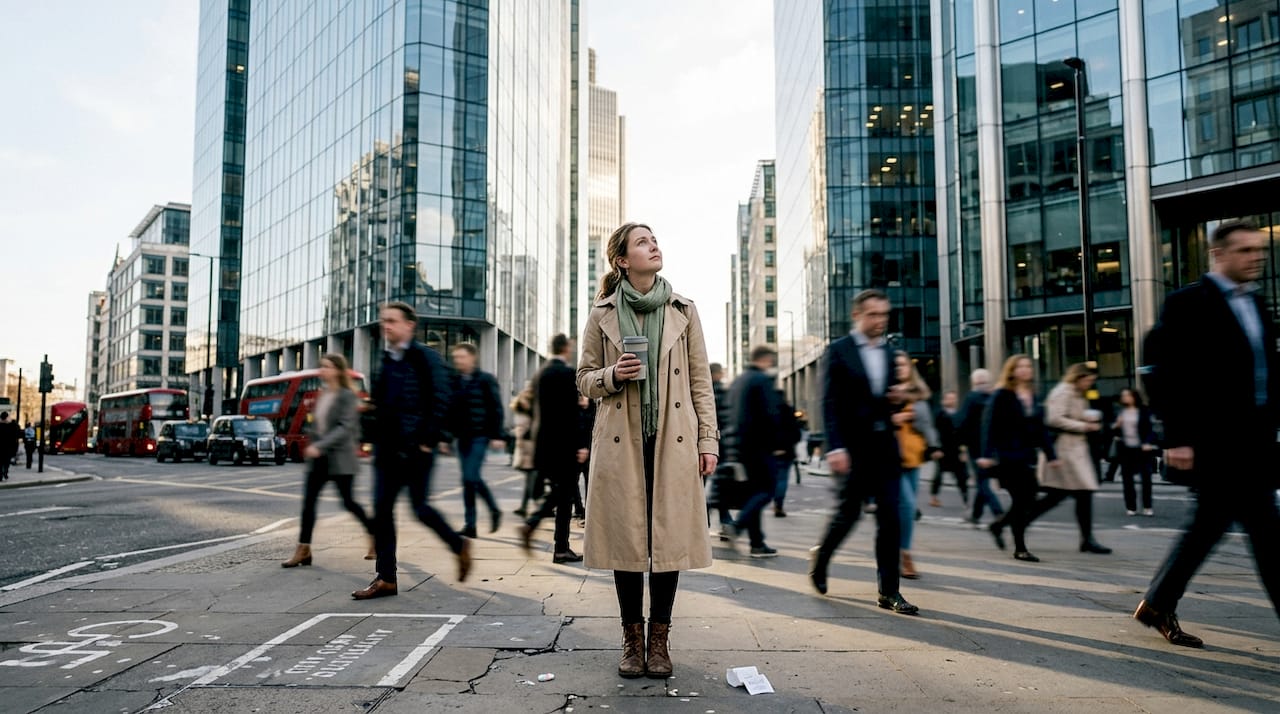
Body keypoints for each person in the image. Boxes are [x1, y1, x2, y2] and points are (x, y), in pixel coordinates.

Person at [577, 222, 719, 679]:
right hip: (622, 442)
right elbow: (583, 378)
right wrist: (613, 375)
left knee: (668, 541)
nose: (654, 245)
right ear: (622, 260)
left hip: (672, 441)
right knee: (627, 542)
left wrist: (708, 441)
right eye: (642, 241)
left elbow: (702, 383)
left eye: (654, 239)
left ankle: (659, 640)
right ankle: (631, 639)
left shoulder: (684, 310)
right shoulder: (602, 313)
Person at [1134, 220, 1280, 648]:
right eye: (1245, 251)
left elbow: (1267, 375)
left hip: (1253, 443)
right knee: (1265, 536)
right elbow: (1166, 375)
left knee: (1211, 530)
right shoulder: (1187, 303)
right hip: (1213, 443)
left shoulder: (1257, 304)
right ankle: (1158, 603)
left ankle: (1158, 603)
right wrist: (1175, 437)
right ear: (1218, 254)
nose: (1255, 258)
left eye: (1259, 251)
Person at [811, 289, 919, 615]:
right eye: (873, 314)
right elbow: (828, 403)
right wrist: (836, 447)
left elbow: (883, 398)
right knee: (849, 514)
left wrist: (896, 396)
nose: (880, 321)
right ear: (857, 315)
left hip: (885, 446)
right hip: (852, 448)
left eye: (884, 315)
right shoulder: (839, 351)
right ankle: (821, 559)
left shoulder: (889, 352)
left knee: (891, 517)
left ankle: (890, 591)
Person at [354, 302, 472, 600]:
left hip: (416, 448)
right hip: (387, 450)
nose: (387, 326)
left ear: (409, 325)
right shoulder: (386, 360)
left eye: (392, 321)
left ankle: (459, 546)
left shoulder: (425, 357)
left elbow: (442, 397)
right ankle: (386, 578)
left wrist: (429, 438)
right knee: (382, 510)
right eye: (384, 321)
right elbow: (383, 405)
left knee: (420, 509)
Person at [282, 353, 375, 568]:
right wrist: (310, 437)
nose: (323, 370)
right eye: (322, 366)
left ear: (338, 371)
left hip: (340, 459)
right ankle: (303, 549)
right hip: (320, 461)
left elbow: (344, 428)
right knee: (309, 504)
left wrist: (319, 445)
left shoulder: (347, 396)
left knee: (349, 503)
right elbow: (317, 425)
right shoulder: (323, 395)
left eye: (327, 367)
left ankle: (374, 536)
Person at [1027, 362, 1113, 557]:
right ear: (1078, 377)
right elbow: (1053, 419)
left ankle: (1087, 539)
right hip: (1065, 450)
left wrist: (1086, 420)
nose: (1089, 385)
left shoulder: (1076, 393)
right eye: (1088, 380)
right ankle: (1016, 522)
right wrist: (1083, 426)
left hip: (1075, 450)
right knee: (1063, 495)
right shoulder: (1063, 392)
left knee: (1078, 494)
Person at [979, 355, 1057, 562]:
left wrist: (1051, 455)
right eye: (1020, 366)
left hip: (1027, 456)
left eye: (1028, 366)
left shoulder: (1034, 395)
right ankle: (1020, 548)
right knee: (1022, 500)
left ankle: (998, 525)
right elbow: (989, 425)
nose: (1024, 370)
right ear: (1011, 370)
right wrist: (986, 455)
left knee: (1026, 500)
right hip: (1007, 456)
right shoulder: (1002, 394)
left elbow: (1041, 429)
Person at [519, 334, 586, 564]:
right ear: (565, 348)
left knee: (562, 492)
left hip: (543, 443)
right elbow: (571, 413)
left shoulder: (541, 373)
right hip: (563, 445)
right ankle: (539, 529)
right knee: (564, 493)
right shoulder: (567, 374)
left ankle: (560, 547)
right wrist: (580, 444)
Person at [726, 346, 785, 558]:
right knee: (767, 491)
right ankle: (738, 526)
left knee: (753, 493)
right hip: (759, 446)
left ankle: (757, 544)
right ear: (766, 360)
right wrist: (777, 443)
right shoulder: (761, 381)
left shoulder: (739, 381)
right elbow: (770, 414)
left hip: (740, 446)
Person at [443, 343, 505, 539]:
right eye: (455, 358)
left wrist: (497, 435)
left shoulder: (485, 380)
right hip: (462, 438)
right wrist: (445, 438)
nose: (458, 361)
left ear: (472, 358)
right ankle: (470, 525)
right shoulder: (454, 381)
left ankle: (494, 510)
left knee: (471, 476)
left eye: (461, 357)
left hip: (480, 436)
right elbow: (449, 411)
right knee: (467, 481)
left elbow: (496, 408)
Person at [892, 352, 940, 580]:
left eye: (903, 364)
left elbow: (928, 424)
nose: (900, 368)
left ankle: (901, 549)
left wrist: (934, 445)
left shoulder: (918, 394)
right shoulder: (886, 391)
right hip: (890, 456)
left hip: (913, 454)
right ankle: (904, 555)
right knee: (908, 506)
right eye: (896, 365)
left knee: (906, 509)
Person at [959, 369, 1003, 526]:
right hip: (994, 446)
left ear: (974, 382)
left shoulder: (971, 398)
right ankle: (976, 515)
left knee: (982, 482)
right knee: (982, 479)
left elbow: (962, 422)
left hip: (975, 446)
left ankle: (998, 511)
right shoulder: (995, 397)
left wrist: (962, 446)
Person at [1112, 388, 1157, 516]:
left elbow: (1150, 430)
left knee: (1146, 478)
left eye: (1127, 395)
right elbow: (1112, 430)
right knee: (1127, 480)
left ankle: (1147, 506)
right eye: (1123, 395)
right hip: (1126, 450)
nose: (1125, 398)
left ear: (1134, 397)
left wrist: (1147, 443)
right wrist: (1116, 426)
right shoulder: (1120, 411)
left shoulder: (1143, 411)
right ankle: (1131, 507)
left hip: (1142, 449)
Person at [706, 363, 737, 539]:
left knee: (705, 486)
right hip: (720, 447)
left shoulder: (699, 391)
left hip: (702, 445)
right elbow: (727, 421)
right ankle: (725, 522)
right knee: (721, 486)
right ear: (716, 374)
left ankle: (710, 522)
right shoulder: (722, 393)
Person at [929, 390, 968, 508]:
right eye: (949, 398)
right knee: (938, 475)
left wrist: (964, 450)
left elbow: (963, 434)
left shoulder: (960, 415)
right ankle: (934, 497)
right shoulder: (938, 414)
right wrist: (934, 449)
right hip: (942, 449)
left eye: (953, 398)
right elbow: (933, 432)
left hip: (956, 450)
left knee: (961, 476)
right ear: (944, 401)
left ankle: (965, 498)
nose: (951, 400)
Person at [510, 383, 539, 516]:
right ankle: (531, 505)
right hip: (528, 446)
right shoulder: (528, 407)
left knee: (531, 478)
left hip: (530, 446)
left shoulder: (528, 406)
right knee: (531, 477)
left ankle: (529, 505)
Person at [773, 389, 802, 518]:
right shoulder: (789, 410)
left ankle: (770, 500)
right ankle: (778, 505)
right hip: (787, 451)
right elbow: (796, 433)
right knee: (782, 479)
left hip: (771, 451)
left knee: (770, 480)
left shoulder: (769, 410)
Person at [572, 393, 597, 521]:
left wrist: (587, 449)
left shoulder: (594, 409)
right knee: (573, 483)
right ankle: (578, 508)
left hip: (590, 451)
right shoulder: (574, 410)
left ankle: (588, 511)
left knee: (590, 483)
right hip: (575, 452)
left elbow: (594, 432)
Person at [0, 412, 19, 481]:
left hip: (3, 448)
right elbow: (17, 432)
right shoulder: (11, 426)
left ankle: (2, 474)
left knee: (2, 462)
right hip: (8, 448)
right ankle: (5, 473)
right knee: (6, 462)